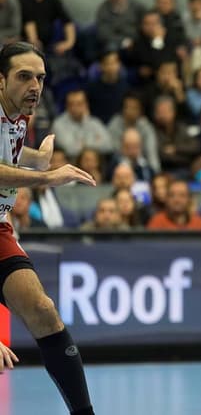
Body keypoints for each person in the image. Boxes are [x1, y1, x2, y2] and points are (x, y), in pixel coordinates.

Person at [0, 41, 96, 414]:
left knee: (42, 310)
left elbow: (7, 150)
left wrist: (35, 157)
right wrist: (47, 177)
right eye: (24, 77)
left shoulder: (19, 114)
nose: (35, 86)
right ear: (1, 81)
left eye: (39, 77)